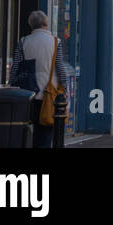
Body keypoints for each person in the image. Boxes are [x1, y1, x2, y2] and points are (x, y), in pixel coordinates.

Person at [9, 11, 69, 148]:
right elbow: (60, 67)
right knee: (46, 131)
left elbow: (15, 67)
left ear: (31, 24)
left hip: (28, 93)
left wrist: (12, 85)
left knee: (29, 129)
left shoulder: (24, 41)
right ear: (46, 23)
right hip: (48, 95)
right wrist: (65, 89)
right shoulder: (55, 42)